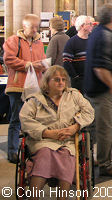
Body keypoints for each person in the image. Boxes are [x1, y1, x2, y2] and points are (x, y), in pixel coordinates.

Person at [19, 66, 94, 199]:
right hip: (43, 140)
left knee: (66, 155)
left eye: (63, 80)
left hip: (67, 141)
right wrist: (46, 133)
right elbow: (25, 119)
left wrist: (75, 127)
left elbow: (89, 111)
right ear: (47, 82)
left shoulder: (73, 95)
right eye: (57, 79)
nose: (61, 82)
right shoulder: (35, 100)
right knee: (45, 154)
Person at [84, 3, 112, 177]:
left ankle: (89, 157)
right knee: (105, 128)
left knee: (92, 127)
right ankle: (106, 164)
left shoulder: (96, 33)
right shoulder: (106, 36)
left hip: (91, 88)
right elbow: (100, 67)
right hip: (101, 90)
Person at [3, 14, 47, 163]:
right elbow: (8, 59)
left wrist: (43, 66)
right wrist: (28, 64)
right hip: (18, 86)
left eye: (37, 27)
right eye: (32, 27)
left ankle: (30, 149)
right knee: (16, 119)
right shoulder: (14, 40)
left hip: (35, 87)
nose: (35, 30)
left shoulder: (39, 43)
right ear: (24, 26)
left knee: (33, 119)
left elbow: (40, 59)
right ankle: (13, 151)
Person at [63, 15, 94, 93]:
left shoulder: (93, 41)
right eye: (89, 24)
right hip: (79, 81)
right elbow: (66, 62)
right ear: (82, 26)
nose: (92, 26)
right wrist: (76, 78)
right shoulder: (72, 42)